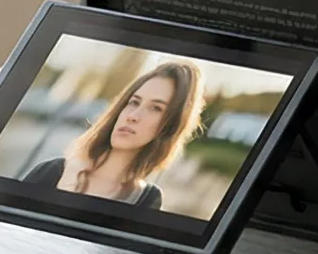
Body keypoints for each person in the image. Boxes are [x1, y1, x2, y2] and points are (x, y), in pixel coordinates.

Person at [21, 60, 203, 212]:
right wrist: (68, 182)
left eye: (156, 108)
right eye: (134, 102)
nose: (133, 116)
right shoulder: (52, 172)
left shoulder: (146, 200)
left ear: (169, 126)